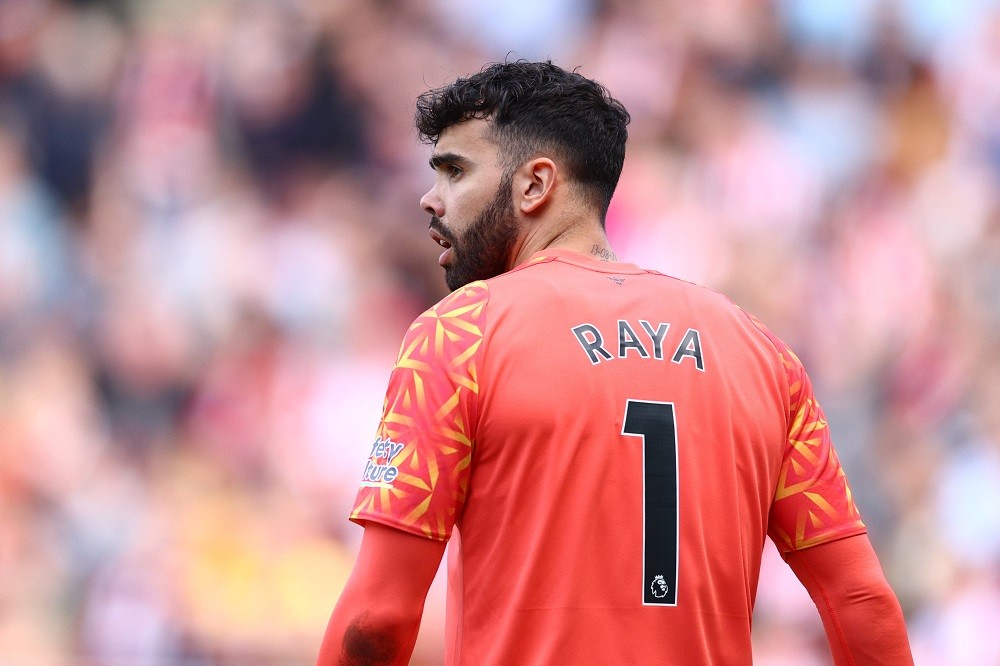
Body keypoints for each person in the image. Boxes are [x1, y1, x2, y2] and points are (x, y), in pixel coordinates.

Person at [317, 60, 912, 665]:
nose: (429, 198)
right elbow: (862, 602)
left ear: (534, 185)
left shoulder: (460, 335)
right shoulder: (761, 353)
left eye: (455, 171)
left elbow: (377, 620)